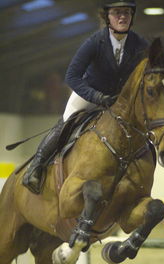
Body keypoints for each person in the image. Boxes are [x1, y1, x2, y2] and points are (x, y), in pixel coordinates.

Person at [23, 0, 148, 194]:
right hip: (90, 94)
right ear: (107, 17)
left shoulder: (140, 44)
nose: (122, 16)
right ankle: (36, 167)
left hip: (120, 102)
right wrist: (97, 96)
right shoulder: (95, 42)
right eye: (117, 12)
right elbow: (71, 76)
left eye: (127, 12)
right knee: (66, 122)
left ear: (132, 17)